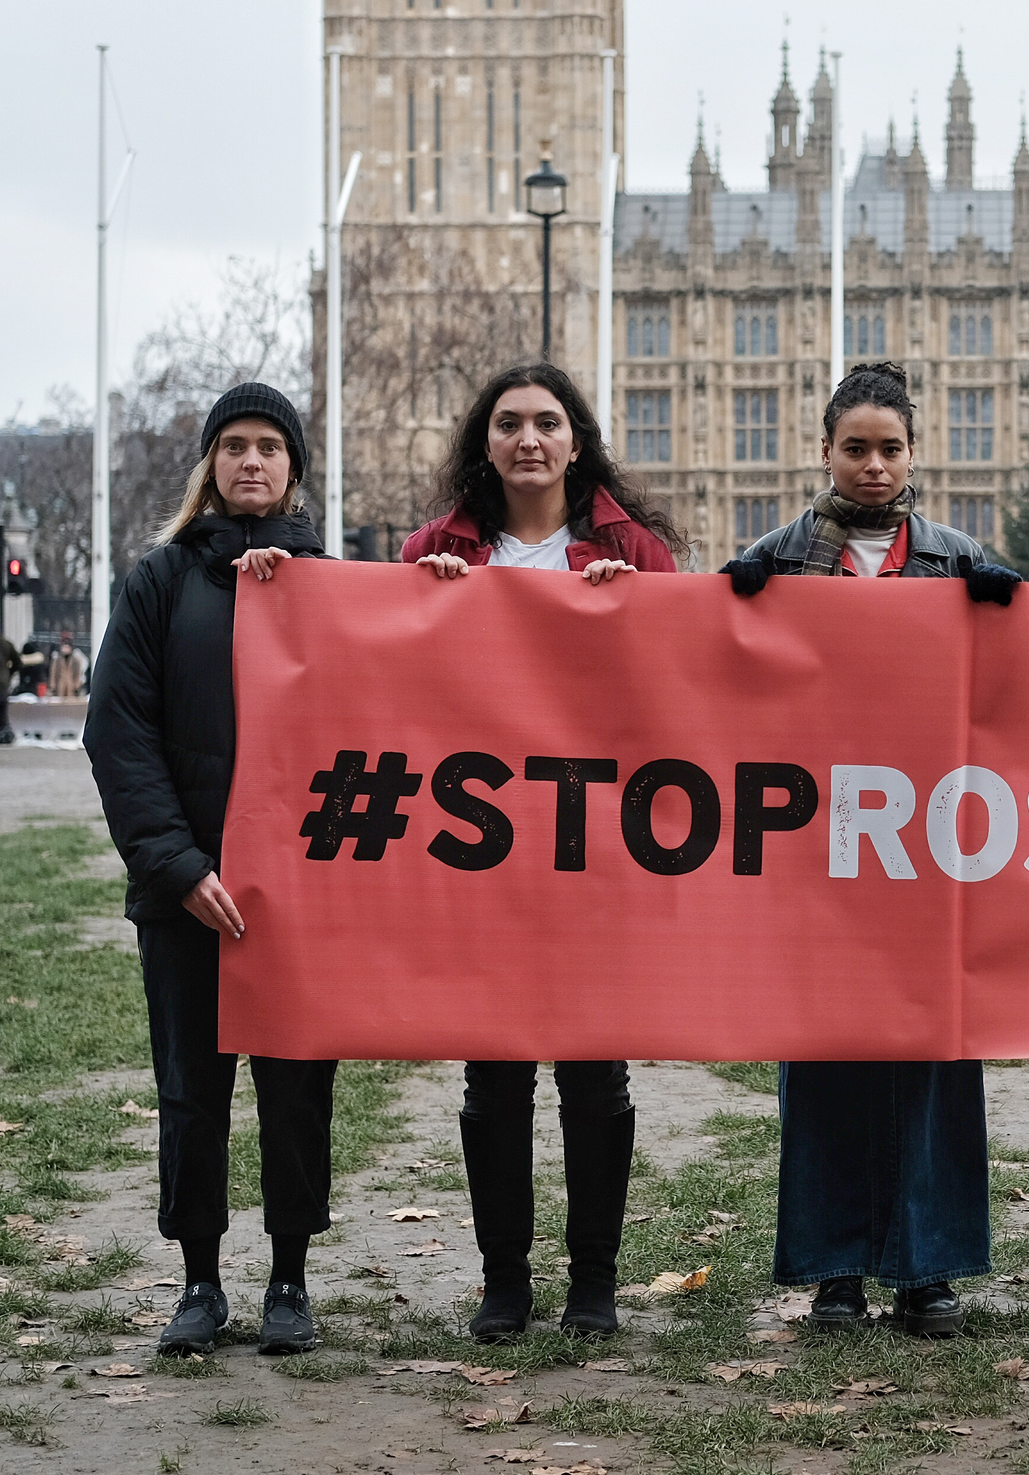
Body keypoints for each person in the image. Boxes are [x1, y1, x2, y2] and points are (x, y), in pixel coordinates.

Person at [723, 360, 1021, 1336]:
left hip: (927, 854)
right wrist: (725, 607)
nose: (873, 465)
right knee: (826, 1066)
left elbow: (1014, 697)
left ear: (912, 453)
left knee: (929, 1064)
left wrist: (1010, 612)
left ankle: (923, 1268)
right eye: (855, 447)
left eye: (890, 447)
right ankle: (837, 1268)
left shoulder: (953, 558)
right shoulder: (774, 558)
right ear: (825, 451)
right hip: (816, 854)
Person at [400, 360, 683, 1343]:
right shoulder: (434, 549)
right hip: (484, 855)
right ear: (487, 439)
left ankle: (594, 1282)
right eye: (510, 421)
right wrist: (421, 607)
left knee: (592, 1073)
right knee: (496, 1075)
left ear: (575, 441)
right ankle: (505, 1280)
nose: (529, 438)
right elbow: (394, 695)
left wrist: (632, 610)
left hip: (594, 849)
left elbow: (674, 697)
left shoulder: (632, 548)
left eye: (547, 422)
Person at [85, 382, 338, 1359]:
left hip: (297, 898)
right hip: (186, 889)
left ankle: (289, 1276)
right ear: (209, 463)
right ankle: (199, 1277)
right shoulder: (159, 581)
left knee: (296, 1088)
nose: (250, 461)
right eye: (233, 444)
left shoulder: (332, 582)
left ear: (293, 468)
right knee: (192, 1088)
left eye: (270, 446)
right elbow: (119, 730)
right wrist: (179, 865)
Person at [49, 630, 84, 699]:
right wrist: (53, 687)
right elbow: (53, 673)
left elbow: (78, 674)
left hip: (71, 689)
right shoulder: (57, 660)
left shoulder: (76, 660)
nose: (66, 649)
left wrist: (77, 686)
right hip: (60, 689)